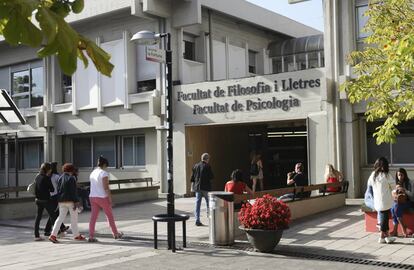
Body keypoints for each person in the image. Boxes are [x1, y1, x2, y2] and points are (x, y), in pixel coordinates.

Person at [88, 156, 123, 242]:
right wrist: (110, 199)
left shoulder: (93, 172)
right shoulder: (104, 173)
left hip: (92, 197)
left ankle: (91, 236)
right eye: (106, 166)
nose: (106, 168)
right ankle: (115, 234)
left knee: (93, 217)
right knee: (109, 216)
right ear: (104, 164)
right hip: (102, 197)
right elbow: (106, 187)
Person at [49, 163, 86, 243]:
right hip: (71, 201)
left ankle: (53, 235)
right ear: (71, 170)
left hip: (61, 201)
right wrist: (76, 201)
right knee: (74, 219)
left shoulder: (60, 178)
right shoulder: (71, 178)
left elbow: (58, 190)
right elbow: (73, 191)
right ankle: (76, 235)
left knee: (60, 218)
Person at [367, 157, 395, 244]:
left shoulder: (373, 175)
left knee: (384, 218)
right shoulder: (387, 175)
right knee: (384, 218)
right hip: (386, 201)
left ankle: (385, 236)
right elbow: (393, 186)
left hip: (377, 201)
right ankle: (382, 236)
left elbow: (369, 185)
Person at [44, 162, 69, 236]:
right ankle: (48, 229)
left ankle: (61, 227)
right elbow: (60, 186)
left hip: (49, 196)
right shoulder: (56, 176)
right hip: (55, 196)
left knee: (55, 213)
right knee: (54, 214)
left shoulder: (47, 176)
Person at [34, 163, 57, 241]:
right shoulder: (47, 178)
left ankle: (36, 235)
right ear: (48, 169)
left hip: (38, 200)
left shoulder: (37, 177)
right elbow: (52, 189)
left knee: (38, 217)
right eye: (50, 169)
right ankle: (55, 234)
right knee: (53, 216)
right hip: (46, 200)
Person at [190, 153, 214, 226]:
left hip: (197, 188)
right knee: (208, 203)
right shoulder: (208, 166)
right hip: (206, 188)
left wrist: (192, 187)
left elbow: (192, 178)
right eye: (208, 159)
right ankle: (210, 219)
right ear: (207, 159)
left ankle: (197, 220)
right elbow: (211, 176)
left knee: (197, 204)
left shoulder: (195, 166)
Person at [390, 168, 414, 237]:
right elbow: (394, 196)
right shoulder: (397, 184)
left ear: (405, 175)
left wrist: (404, 190)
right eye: (398, 175)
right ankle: (399, 229)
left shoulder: (410, 183)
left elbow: (412, 196)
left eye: (401, 175)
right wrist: (395, 192)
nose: (400, 177)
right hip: (401, 202)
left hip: (410, 202)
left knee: (395, 207)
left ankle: (400, 229)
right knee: (393, 208)